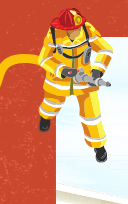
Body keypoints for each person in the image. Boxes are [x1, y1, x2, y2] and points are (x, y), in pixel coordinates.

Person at [37, 8, 114, 162]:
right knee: (50, 104)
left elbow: (106, 49)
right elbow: (43, 58)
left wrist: (97, 71)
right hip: (58, 81)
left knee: (92, 116)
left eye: (75, 28)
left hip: (86, 81)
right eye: (68, 30)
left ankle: (98, 146)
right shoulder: (53, 33)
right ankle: (45, 118)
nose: (72, 32)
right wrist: (62, 70)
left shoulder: (88, 30)